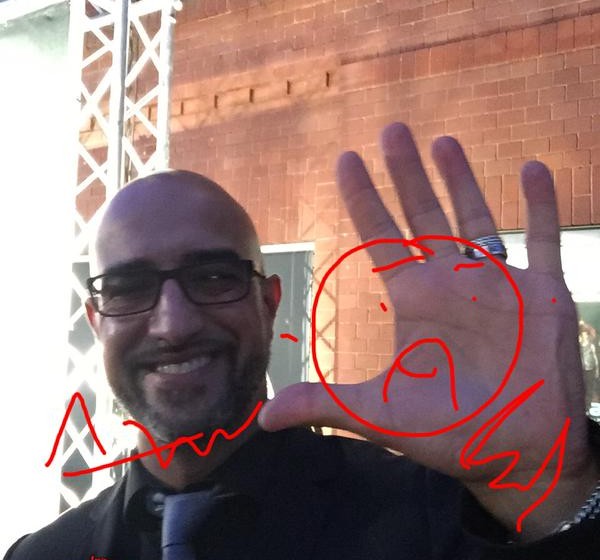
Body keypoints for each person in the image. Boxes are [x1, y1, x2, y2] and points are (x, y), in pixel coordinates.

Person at [6, 123, 600, 559]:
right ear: (96, 321)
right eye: (129, 287)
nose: (173, 324)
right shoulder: (43, 556)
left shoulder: (435, 519)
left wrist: (552, 491)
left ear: (269, 304)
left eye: (212, 278)